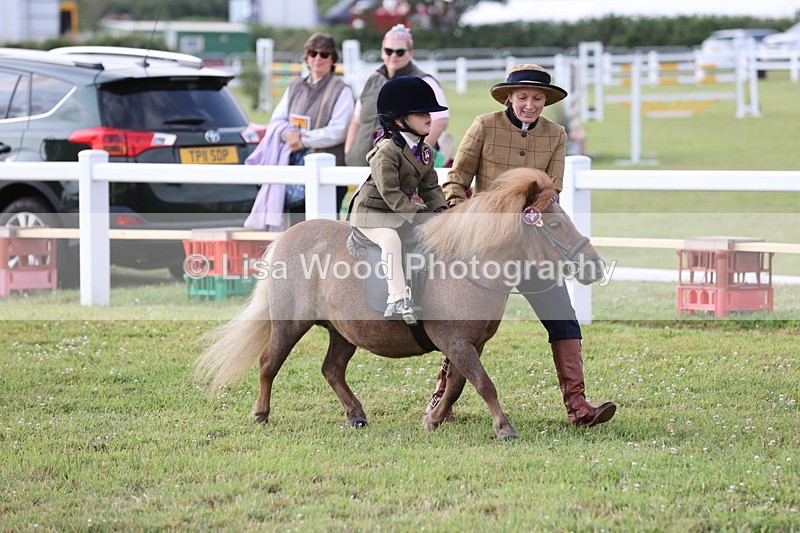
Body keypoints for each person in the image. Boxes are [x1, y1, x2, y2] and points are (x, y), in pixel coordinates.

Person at [426, 64, 617, 428]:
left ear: (546, 100)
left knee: (562, 315)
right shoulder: (484, 125)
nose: (530, 105)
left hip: (532, 244)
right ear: (510, 98)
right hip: (485, 242)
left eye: (538, 98)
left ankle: (578, 407)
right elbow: (457, 178)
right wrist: (459, 219)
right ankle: (440, 400)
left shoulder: (556, 134)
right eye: (523, 97)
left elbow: (552, 191)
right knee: (465, 325)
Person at [348, 76, 448, 324]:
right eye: (420, 112)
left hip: (396, 211)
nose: (429, 117)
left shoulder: (425, 151)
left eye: (429, 112)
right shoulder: (385, 152)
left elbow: (430, 187)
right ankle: (398, 298)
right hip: (372, 212)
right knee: (390, 239)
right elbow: (390, 193)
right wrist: (418, 215)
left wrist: (443, 213)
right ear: (398, 120)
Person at [250, 32, 354, 228]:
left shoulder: (342, 89)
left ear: (332, 59)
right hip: (294, 172)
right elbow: (277, 119)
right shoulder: (295, 86)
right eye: (313, 53)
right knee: (296, 231)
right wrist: (286, 134)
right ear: (306, 57)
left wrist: (304, 140)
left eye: (324, 54)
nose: (318, 59)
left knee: (323, 232)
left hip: (328, 172)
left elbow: (338, 131)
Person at [344, 24, 449, 168]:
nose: (393, 55)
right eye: (388, 50)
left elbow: (440, 121)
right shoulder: (372, 80)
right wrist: (349, 151)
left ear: (410, 53)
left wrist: (413, 157)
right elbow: (357, 120)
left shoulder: (423, 81)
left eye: (400, 52)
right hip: (362, 165)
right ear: (382, 52)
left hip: (400, 169)